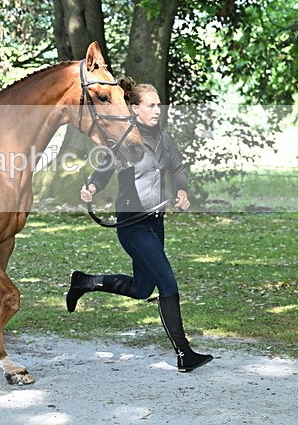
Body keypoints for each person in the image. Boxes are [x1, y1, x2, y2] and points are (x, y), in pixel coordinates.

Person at [70, 78, 213, 373]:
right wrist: (92, 189)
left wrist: (182, 192)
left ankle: (85, 281)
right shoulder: (126, 140)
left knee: (141, 288)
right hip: (133, 225)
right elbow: (104, 169)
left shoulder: (163, 138)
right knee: (167, 283)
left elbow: (178, 168)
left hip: (156, 222)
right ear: (134, 109)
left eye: (158, 105)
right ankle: (184, 354)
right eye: (150, 105)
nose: (157, 110)